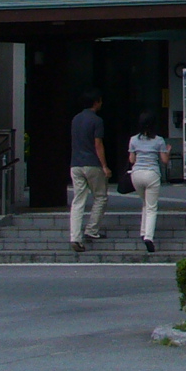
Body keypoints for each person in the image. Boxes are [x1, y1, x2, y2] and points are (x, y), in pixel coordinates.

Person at [69, 88, 111, 254]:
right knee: (100, 196)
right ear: (96, 102)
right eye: (100, 101)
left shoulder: (75, 119)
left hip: (75, 164)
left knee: (78, 200)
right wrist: (105, 166)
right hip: (92, 163)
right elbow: (98, 144)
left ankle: (75, 237)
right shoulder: (97, 120)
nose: (101, 103)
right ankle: (92, 230)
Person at [126, 110, 170, 255]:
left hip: (136, 174)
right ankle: (148, 237)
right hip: (152, 174)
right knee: (151, 207)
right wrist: (167, 151)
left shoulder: (133, 140)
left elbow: (131, 160)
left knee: (145, 202)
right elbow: (164, 161)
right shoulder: (159, 140)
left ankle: (143, 230)